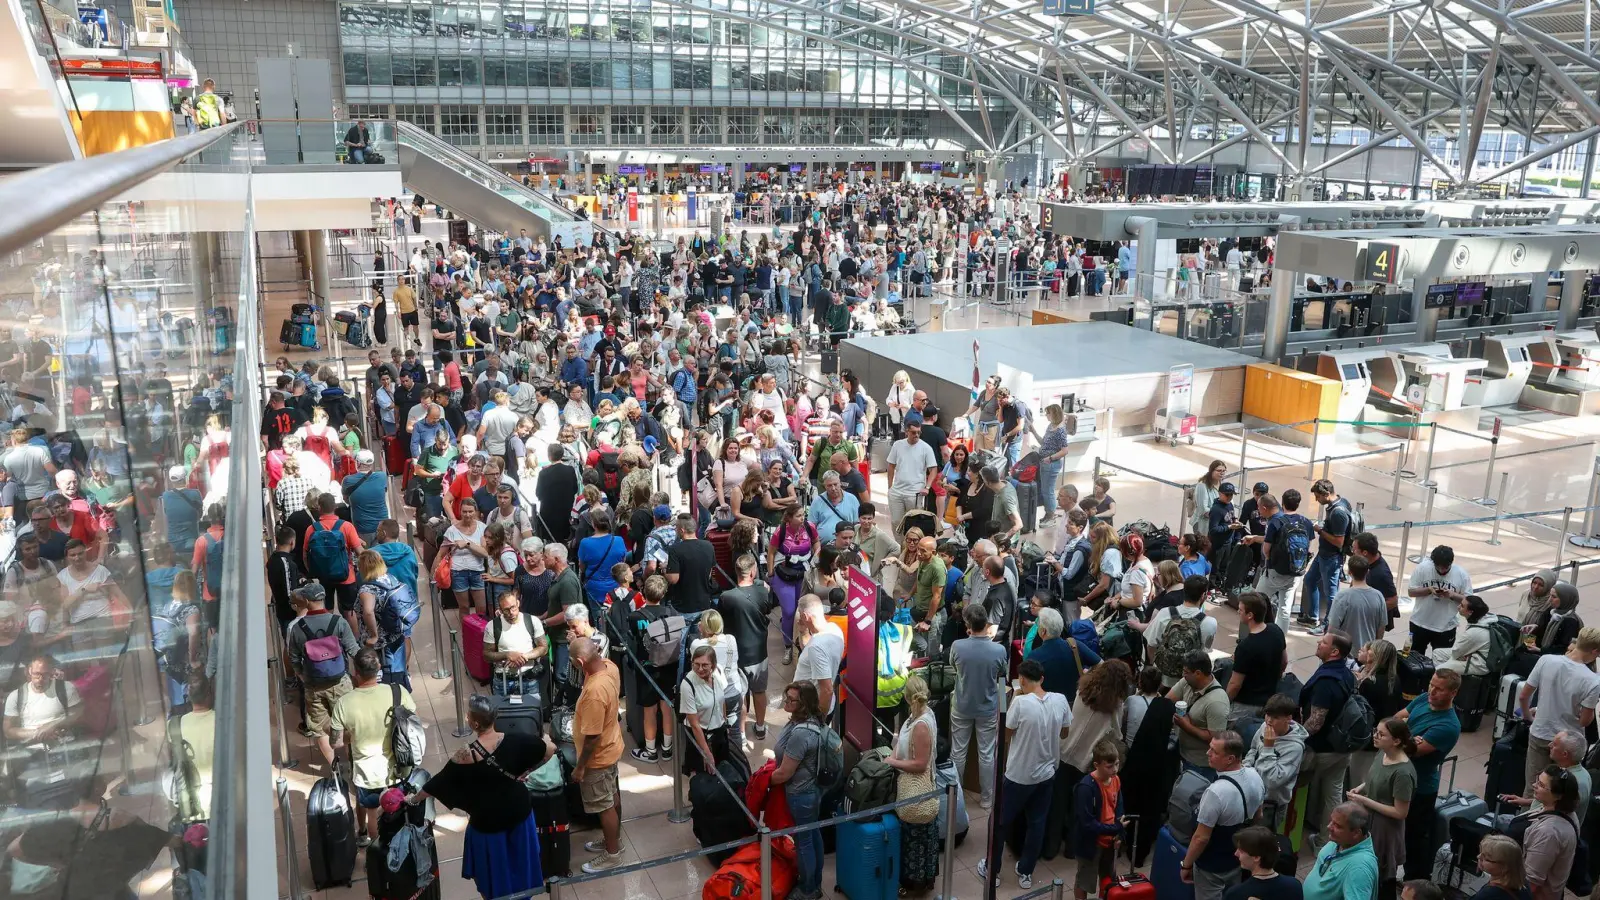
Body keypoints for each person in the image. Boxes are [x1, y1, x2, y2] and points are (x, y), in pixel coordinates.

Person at [407, 695, 556, 899]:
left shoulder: (466, 754)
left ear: (475, 723)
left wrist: (413, 800)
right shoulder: (517, 739)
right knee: (522, 863)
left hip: (488, 823)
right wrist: (527, 771)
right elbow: (550, 750)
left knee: (493, 873)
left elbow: (437, 783)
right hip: (520, 814)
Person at [978, 659, 1072, 890]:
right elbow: (1064, 733)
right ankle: (1026, 871)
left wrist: (1015, 700)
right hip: (1047, 773)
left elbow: (1005, 736)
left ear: (1021, 679)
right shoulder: (1060, 700)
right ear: (1042, 678)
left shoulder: (1019, 704)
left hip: (1019, 776)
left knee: (998, 822)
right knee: (1037, 823)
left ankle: (993, 868)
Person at [330, 648, 418, 848]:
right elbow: (413, 722)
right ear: (378, 668)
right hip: (399, 766)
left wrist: (350, 735)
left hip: (367, 772)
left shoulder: (344, 704)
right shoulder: (398, 691)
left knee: (372, 812)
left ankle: (379, 849)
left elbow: (334, 743)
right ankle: (401, 848)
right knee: (398, 807)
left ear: (355, 674)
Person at [1179, 732, 1266, 900]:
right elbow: (1259, 815)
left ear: (1230, 759)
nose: (1208, 753)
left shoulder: (1216, 792)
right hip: (1239, 857)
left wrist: (1186, 865)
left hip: (1212, 865)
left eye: (1214, 751)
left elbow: (1201, 838)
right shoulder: (1255, 776)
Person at [1518, 626, 1600, 798]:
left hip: (1541, 731)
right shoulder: (1593, 681)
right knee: (1561, 793)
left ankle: (1527, 821)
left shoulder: (1546, 660)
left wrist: (1529, 718)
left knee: (1533, 788)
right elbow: (1585, 721)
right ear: (1595, 651)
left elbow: (1524, 696)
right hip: (1569, 743)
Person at [1396, 670, 1462, 880]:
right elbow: (1396, 720)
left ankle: (1416, 883)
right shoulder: (1424, 698)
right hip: (1401, 777)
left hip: (1420, 788)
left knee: (1414, 839)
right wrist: (1408, 736)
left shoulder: (1448, 726)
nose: (1432, 691)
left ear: (1453, 693)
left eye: (1439, 689)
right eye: (1431, 685)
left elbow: (1410, 750)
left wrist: (1403, 737)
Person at [286, 584, 359, 768]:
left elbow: (293, 658)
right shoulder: (338, 621)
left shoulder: (297, 628)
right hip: (340, 681)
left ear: (308, 601)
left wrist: (302, 677)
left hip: (313, 685)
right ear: (324, 598)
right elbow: (353, 650)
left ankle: (334, 768)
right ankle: (353, 764)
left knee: (320, 730)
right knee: (348, 724)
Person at [571, 636, 626, 873]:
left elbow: (592, 737)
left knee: (604, 805)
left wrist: (581, 767)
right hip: (612, 746)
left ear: (581, 661)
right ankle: (614, 840)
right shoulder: (609, 667)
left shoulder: (594, 692)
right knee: (612, 797)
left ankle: (612, 854)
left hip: (598, 758)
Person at [1347, 717, 1418, 900]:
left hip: (1385, 829)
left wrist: (1364, 800)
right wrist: (1362, 788)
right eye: (1375, 732)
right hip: (1370, 820)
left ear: (1397, 741)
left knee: (1381, 877)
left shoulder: (1403, 773)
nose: (1375, 736)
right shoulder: (1382, 753)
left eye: (1381, 734)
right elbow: (1376, 777)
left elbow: (1400, 812)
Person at [1300, 629, 1357, 854]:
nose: (1318, 643)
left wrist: (1293, 736)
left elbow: (1315, 723)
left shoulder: (1325, 682)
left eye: (1322, 642)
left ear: (1334, 651)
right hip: (1342, 746)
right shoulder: (1347, 673)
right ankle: (1327, 842)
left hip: (1321, 750)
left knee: (1291, 783)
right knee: (1333, 793)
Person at [773, 680, 829, 900]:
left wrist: (764, 781)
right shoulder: (810, 721)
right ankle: (815, 882)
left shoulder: (801, 734)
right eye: (786, 697)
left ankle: (808, 889)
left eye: (791, 699)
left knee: (804, 840)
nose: (786, 701)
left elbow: (785, 773)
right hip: (812, 791)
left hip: (801, 795)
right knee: (813, 834)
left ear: (803, 703)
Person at [885, 674, 940, 893]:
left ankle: (914, 882)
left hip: (917, 790)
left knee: (914, 840)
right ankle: (918, 879)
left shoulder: (921, 725)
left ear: (907, 698)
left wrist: (893, 761)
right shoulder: (920, 715)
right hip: (915, 786)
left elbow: (920, 764)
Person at [950, 604, 1007, 809]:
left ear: (968, 624)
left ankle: (954, 797)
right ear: (987, 623)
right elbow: (1002, 678)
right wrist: (1003, 707)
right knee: (986, 753)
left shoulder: (957, 646)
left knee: (958, 752)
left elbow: (954, 667)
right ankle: (986, 798)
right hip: (988, 708)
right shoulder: (999, 650)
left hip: (961, 706)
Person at [718, 554, 775, 741]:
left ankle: (740, 733)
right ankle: (760, 726)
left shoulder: (726, 597)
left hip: (737, 654)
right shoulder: (763, 593)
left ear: (736, 572)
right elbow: (768, 609)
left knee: (740, 694)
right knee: (759, 691)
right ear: (752, 572)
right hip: (760, 652)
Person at [627, 574, 677, 763]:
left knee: (649, 710)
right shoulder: (672, 613)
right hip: (669, 666)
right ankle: (667, 748)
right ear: (663, 593)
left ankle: (650, 751)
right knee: (666, 707)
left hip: (646, 669)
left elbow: (632, 638)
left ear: (643, 592)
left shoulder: (635, 617)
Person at [1071, 739, 1126, 900]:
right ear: (1097, 765)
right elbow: (1087, 824)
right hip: (1090, 843)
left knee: (1108, 878)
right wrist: (1116, 828)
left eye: (1116, 764)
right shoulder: (1086, 788)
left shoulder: (1116, 780)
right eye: (1109, 766)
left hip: (1110, 841)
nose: (1115, 770)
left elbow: (1119, 807)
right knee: (1085, 881)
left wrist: (1119, 834)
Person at [1243, 694, 1308, 830]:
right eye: (1267, 715)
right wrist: (1246, 768)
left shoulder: (1294, 748)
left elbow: (1272, 781)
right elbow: (1253, 749)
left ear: (1288, 719)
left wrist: (1268, 747)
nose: (1269, 721)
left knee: (1258, 845)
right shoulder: (1264, 726)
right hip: (1250, 794)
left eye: (1275, 717)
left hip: (1269, 805)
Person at [1145, 575, 1218, 687]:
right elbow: (1205, 652)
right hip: (1189, 682)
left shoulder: (1165, 613)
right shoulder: (1209, 623)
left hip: (1163, 678)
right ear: (1203, 595)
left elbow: (1151, 644)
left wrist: (1155, 665)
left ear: (1184, 591)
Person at [1300, 479, 1354, 630]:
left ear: (1326, 494)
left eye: (1318, 496)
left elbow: (1339, 541)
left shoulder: (1338, 512)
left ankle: (1328, 624)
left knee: (1331, 594)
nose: (1317, 500)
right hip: (1323, 554)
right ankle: (1313, 616)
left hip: (1331, 557)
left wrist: (1319, 531)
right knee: (1310, 580)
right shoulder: (1339, 503)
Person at [769, 505, 820, 664]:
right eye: (798, 515)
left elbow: (816, 542)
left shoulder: (809, 527)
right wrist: (770, 573)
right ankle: (788, 647)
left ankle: (803, 642)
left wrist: (816, 553)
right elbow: (771, 551)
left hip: (804, 575)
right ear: (789, 518)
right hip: (784, 575)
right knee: (789, 611)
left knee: (803, 610)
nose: (802, 518)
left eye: (803, 515)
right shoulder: (781, 531)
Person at [1522, 766, 1582, 900]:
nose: (1534, 785)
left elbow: (1531, 883)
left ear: (1558, 796)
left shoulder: (1549, 833)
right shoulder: (1567, 813)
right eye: (1537, 780)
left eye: (1541, 785)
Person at [1228, 593, 1288, 724]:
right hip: (1269, 700)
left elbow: (1235, 685)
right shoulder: (1276, 630)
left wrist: (1225, 702)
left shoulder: (1246, 647)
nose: (1238, 611)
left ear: (1250, 615)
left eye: (1241, 609)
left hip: (1246, 704)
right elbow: (1284, 662)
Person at [1170, 650, 1230, 775]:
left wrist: (1187, 726)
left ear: (1198, 673)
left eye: (1186, 672)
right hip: (1180, 752)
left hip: (1199, 765)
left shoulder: (1217, 702)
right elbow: (1168, 701)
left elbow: (1216, 739)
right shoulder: (1187, 682)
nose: (1183, 675)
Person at [1303, 803, 1379, 900]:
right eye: (1331, 821)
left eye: (1337, 826)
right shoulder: (1342, 840)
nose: (1329, 827)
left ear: (1356, 833)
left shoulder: (1360, 869)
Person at [1405, 545, 1471, 655]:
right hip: (1418, 622)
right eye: (1438, 567)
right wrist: (1429, 590)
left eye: (1445, 567)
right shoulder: (1422, 568)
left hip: (1446, 627)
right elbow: (1411, 592)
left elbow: (1469, 600)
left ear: (1451, 563)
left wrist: (1452, 594)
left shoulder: (1461, 575)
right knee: (1407, 655)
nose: (1441, 570)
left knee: (1442, 663)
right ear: (1433, 562)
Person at [1028, 606, 1101, 702]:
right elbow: (1101, 665)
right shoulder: (1074, 645)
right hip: (1074, 704)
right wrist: (1088, 675)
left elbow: (1028, 687)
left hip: (1048, 708)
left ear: (1043, 631)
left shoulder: (1034, 656)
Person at [484, 590, 548, 700]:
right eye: (506, 610)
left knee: (530, 714)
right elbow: (486, 655)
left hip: (528, 679)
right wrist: (507, 655)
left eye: (513, 607)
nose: (511, 613)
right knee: (502, 715)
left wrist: (523, 657)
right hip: (502, 679)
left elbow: (543, 648)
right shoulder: (492, 626)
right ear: (500, 610)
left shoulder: (533, 621)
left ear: (518, 603)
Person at [794, 594, 844, 715]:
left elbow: (827, 690)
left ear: (805, 616)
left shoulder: (816, 647)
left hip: (809, 710)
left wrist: (818, 721)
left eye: (800, 615)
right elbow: (809, 653)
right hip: (818, 705)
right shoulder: (834, 629)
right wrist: (802, 630)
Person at [885, 419, 937, 533]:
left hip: (915, 492)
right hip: (897, 491)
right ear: (906, 432)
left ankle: (912, 548)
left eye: (919, 432)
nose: (916, 435)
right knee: (896, 522)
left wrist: (927, 487)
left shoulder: (926, 448)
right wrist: (890, 487)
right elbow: (891, 465)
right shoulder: (898, 445)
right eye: (913, 432)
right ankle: (900, 547)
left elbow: (933, 469)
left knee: (914, 524)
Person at [1324, 554, 1387, 646]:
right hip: (1367, 653)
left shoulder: (1342, 596)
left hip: (1346, 653)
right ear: (1367, 572)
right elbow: (1381, 627)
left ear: (1349, 572)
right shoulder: (1379, 596)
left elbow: (1332, 628)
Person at [1224, 826, 1303, 900]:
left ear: (1256, 857)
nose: (1236, 854)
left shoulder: (1235, 894)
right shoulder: (1295, 886)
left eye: (1241, 851)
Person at [664, 514, 716, 613]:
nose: (675, 530)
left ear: (682, 530)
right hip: (704, 604)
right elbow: (709, 573)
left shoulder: (675, 549)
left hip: (683, 607)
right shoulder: (709, 546)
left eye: (676, 528)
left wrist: (664, 569)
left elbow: (673, 579)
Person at [1472, 835, 1531, 900]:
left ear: (1505, 867)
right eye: (1481, 853)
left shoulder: (1488, 895)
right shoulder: (1523, 884)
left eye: (1486, 858)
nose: (1478, 857)